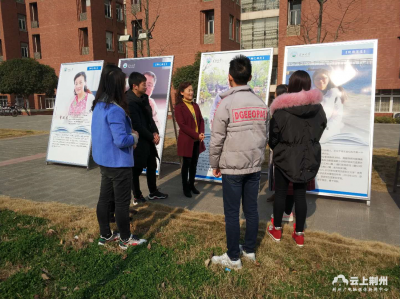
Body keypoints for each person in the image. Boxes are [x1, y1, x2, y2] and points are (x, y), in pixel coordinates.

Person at [209, 55, 268, 270]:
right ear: (250, 77)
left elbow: (216, 139)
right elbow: (265, 136)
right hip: (253, 167)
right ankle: (249, 250)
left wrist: (214, 163)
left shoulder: (226, 104)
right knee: (251, 210)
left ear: (229, 77)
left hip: (233, 168)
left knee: (233, 213)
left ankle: (234, 257)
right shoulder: (261, 104)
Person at [268, 70, 327, 248]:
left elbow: (272, 139)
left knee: (280, 193)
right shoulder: (318, 109)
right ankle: (299, 234)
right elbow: (321, 129)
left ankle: (276, 230)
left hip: (284, 158)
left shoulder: (280, 110)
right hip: (307, 158)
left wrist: (280, 148)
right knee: (301, 195)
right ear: (309, 85)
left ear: (291, 86)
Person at [91, 67, 145, 250]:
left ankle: (105, 234)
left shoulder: (99, 104)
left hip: (104, 161)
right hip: (118, 162)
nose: (126, 86)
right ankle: (125, 238)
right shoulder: (114, 109)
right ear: (116, 85)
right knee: (122, 203)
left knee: (104, 199)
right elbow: (121, 140)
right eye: (123, 82)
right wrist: (135, 137)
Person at [126, 72, 168, 204]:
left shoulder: (144, 99)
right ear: (135, 86)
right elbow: (137, 125)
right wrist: (151, 137)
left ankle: (153, 191)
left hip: (148, 139)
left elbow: (150, 119)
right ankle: (137, 195)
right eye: (144, 84)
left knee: (152, 164)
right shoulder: (129, 102)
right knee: (136, 170)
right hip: (138, 141)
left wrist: (155, 133)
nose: (146, 87)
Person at [174, 82, 206, 198]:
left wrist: (201, 132)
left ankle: (192, 185)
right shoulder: (179, 107)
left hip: (197, 140)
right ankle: (185, 187)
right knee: (186, 165)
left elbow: (201, 120)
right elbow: (182, 125)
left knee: (194, 164)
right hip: (187, 141)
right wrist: (196, 135)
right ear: (182, 92)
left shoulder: (195, 105)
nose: (191, 92)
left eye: (192, 90)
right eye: (188, 90)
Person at [312, 69, 346, 141]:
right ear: (314, 81)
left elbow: (337, 116)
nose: (321, 81)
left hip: (329, 134)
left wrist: (325, 129)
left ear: (329, 79)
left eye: (324, 78)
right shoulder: (311, 94)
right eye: (318, 78)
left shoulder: (335, 94)